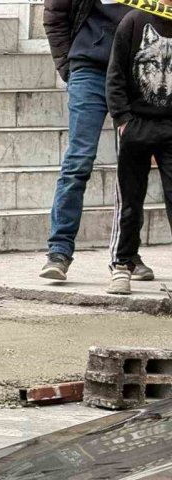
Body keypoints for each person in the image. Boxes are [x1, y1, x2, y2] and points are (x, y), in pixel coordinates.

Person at [39, 0, 157, 281]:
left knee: (133, 166)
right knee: (78, 160)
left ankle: (126, 256)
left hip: (135, 73)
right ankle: (59, 251)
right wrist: (68, 67)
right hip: (89, 69)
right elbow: (55, 15)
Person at [105, 11, 172, 295]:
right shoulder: (133, 22)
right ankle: (122, 264)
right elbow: (116, 73)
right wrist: (122, 119)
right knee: (130, 200)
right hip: (136, 124)